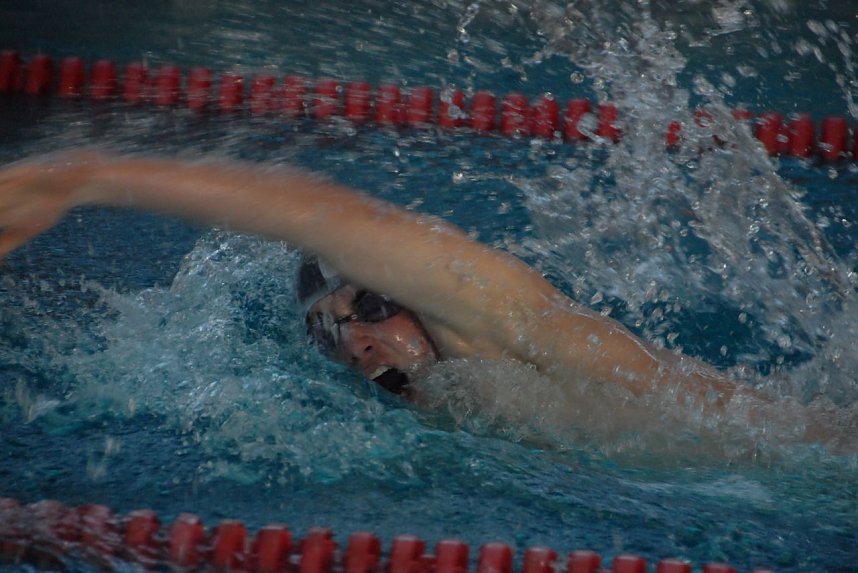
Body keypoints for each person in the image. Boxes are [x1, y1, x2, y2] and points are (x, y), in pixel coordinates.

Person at [0, 152, 744, 410]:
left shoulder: (502, 321)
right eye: (329, 329)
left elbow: (325, 215)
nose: (356, 341)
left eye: (373, 305)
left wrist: (83, 179)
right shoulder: (447, 406)